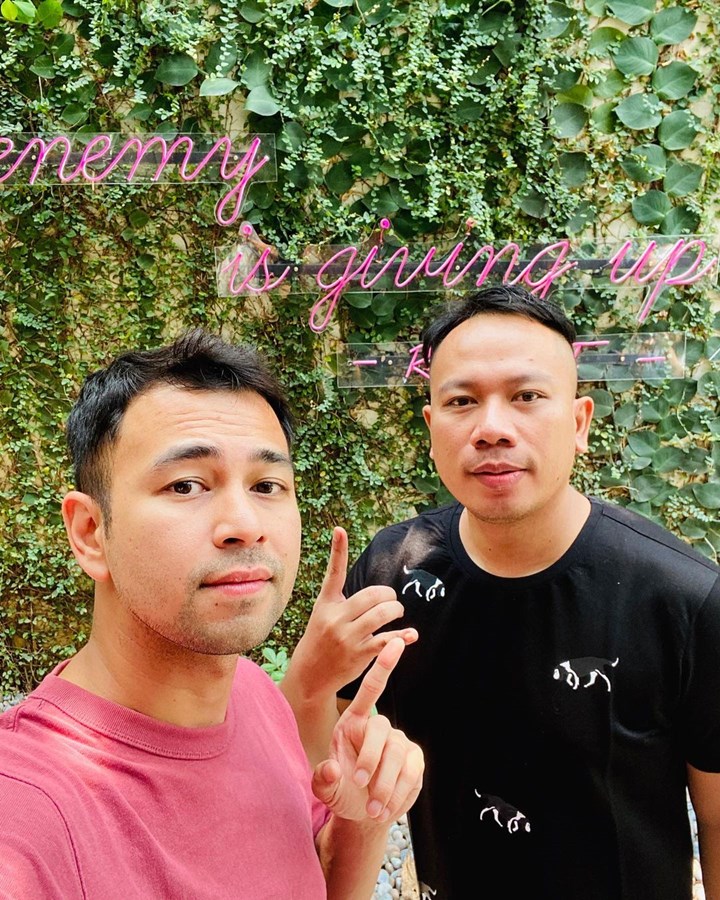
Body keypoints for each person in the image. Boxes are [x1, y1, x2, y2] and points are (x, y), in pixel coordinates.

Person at [281, 286, 720, 899]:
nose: (491, 428)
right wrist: (309, 679)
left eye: (526, 396)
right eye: (462, 401)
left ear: (579, 422)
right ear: (431, 428)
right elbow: (317, 767)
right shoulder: (392, 572)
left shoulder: (683, 597)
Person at [0, 330, 424, 899]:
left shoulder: (254, 694)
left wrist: (364, 818)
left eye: (267, 485)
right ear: (91, 532)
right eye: (186, 485)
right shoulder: (25, 819)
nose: (245, 524)